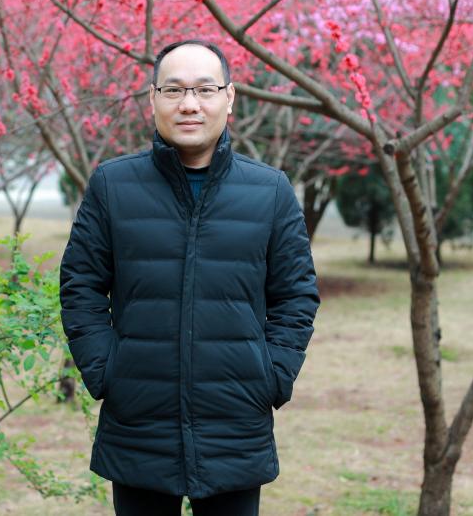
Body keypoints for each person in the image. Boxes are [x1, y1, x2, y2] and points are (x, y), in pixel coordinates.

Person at [59, 40, 320, 516]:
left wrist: (272, 375)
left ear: (229, 97)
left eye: (204, 89)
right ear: (153, 98)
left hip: (235, 421)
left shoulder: (270, 191)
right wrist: (106, 370)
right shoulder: (113, 186)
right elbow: (81, 286)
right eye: (174, 90)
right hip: (139, 420)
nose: (189, 104)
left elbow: (296, 295)